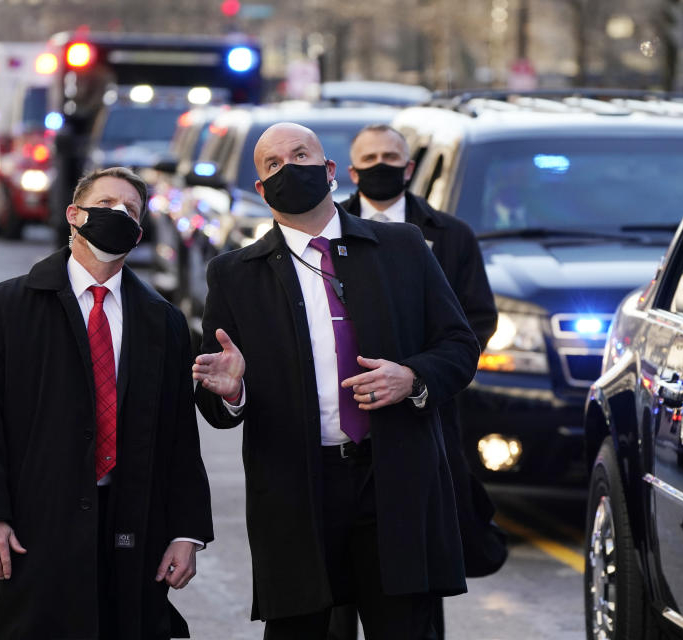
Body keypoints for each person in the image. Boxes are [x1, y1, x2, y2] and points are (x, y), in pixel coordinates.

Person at [192, 123, 480, 640]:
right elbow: (214, 403)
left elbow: (459, 346)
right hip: (298, 490)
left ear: (329, 171)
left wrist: (412, 377)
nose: (287, 169)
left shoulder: (402, 247)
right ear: (261, 190)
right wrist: (232, 391)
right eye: (272, 165)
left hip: (393, 481)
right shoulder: (235, 274)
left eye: (299, 155)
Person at [0, 166, 213, 640]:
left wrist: (186, 532)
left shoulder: (164, 321)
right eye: (105, 204)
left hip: (131, 521)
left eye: (130, 210)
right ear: (73, 214)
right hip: (36, 525)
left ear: (139, 232)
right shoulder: (7, 306)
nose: (117, 215)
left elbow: (179, 435)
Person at [333, 125, 506, 638]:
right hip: (344, 423)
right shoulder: (324, 233)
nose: (381, 165)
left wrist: (416, 373)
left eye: (392, 157)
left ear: (409, 169)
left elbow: (474, 321)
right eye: (370, 157)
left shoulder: (451, 236)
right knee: (336, 590)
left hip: (424, 420)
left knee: (417, 582)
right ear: (352, 169)